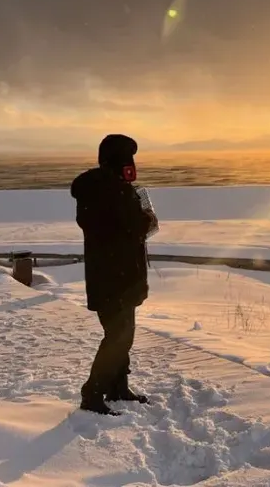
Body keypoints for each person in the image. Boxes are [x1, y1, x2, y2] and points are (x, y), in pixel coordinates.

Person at [71, 134, 158, 415]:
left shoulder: (98, 190)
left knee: (122, 334)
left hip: (111, 276)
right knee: (119, 336)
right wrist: (147, 215)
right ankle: (93, 393)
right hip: (117, 277)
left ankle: (118, 386)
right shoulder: (115, 192)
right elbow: (132, 228)